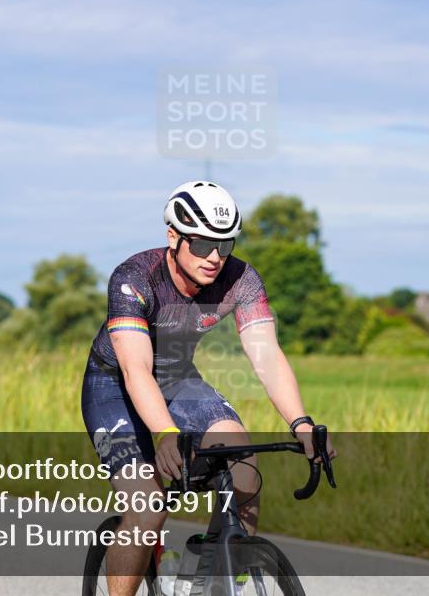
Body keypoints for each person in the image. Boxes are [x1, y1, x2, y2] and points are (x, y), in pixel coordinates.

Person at [81, 180, 335, 595]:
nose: (215, 257)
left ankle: (211, 584)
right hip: (116, 387)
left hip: (178, 380)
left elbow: (266, 355)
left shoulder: (242, 280)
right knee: (148, 510)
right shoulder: (134, 277)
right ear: (173, 237)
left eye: (225, 244)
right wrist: (164, 434)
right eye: (201, 245)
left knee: (246, 473)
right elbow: (136, 370)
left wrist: (301, 424)